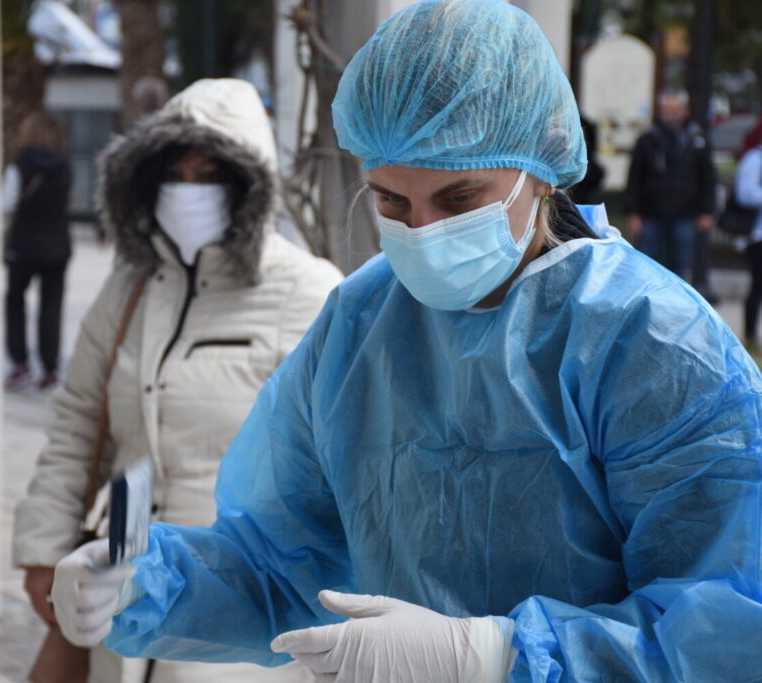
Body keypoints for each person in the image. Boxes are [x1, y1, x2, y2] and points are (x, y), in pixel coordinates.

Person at [49, 2, 762, 681]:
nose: (421, 231)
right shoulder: (359, 326)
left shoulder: (651, 342)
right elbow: (281, 565)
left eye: (459, 199)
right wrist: (145, 585)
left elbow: (726, 629)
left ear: (541, 172)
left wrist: (491, 656)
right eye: (392, 201)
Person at [12, 78, 342, 683]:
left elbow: (339, 467)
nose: (188, 191)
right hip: (121, 568)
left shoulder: (307, 290)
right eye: (174, 174)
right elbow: (79, 422)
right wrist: (43, 549)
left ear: (251, 184)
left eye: (210, 174)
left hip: (236, 594)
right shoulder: (131, 286)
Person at [3, 111, 74, 391]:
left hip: (24, 244)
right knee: (52, 306)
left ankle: (20, 364)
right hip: (58, 244)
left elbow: (6, 204)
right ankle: (50, 368)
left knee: (15, 302)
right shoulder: (66, 165)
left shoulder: (19, 166)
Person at [624, 90, 716, 284]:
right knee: (645, 265)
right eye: (666, 110)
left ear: (685, 111)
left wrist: (706, 211)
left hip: (685, 213)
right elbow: (634, 178)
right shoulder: (647, 139)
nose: (671, 115)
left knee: (680, 268)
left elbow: (708, 178)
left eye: (675, 110)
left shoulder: (697, 139)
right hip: (651, 213)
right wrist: (633, 212)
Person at [735, 142, 762, 354]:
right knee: (758, 286)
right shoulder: (754, 158)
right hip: (757, 235)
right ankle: (750, 335)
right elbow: (745, 193)